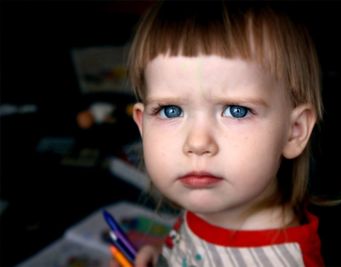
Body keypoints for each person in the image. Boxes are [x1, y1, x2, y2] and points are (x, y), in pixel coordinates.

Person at [128, 1, 325, 266]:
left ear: (294, 131)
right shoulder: (208, 200)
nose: (197, 143)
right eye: (171, 111)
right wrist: (162, 256)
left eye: (236, 111)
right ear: (142, 126)